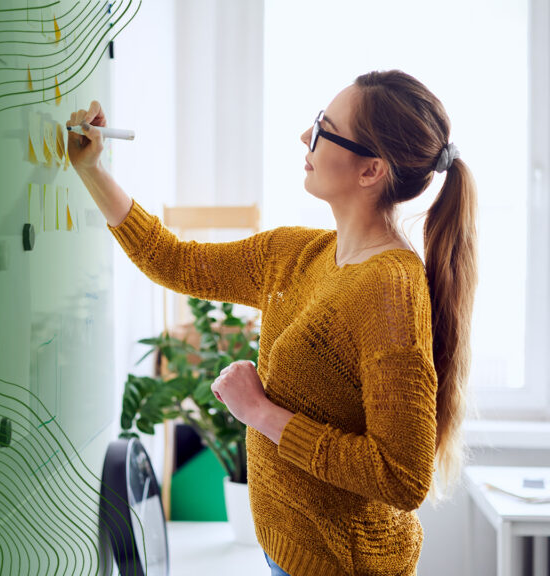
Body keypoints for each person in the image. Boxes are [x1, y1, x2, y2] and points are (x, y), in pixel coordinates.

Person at [67, 70, 478, 576]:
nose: (307, 137)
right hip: (285, 552)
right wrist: (92, 169)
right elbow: (173, 261)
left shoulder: (389, 289)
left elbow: (402, 476)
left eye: (325, 128)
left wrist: (260, 412)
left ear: (370, 171)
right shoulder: (297, 254)